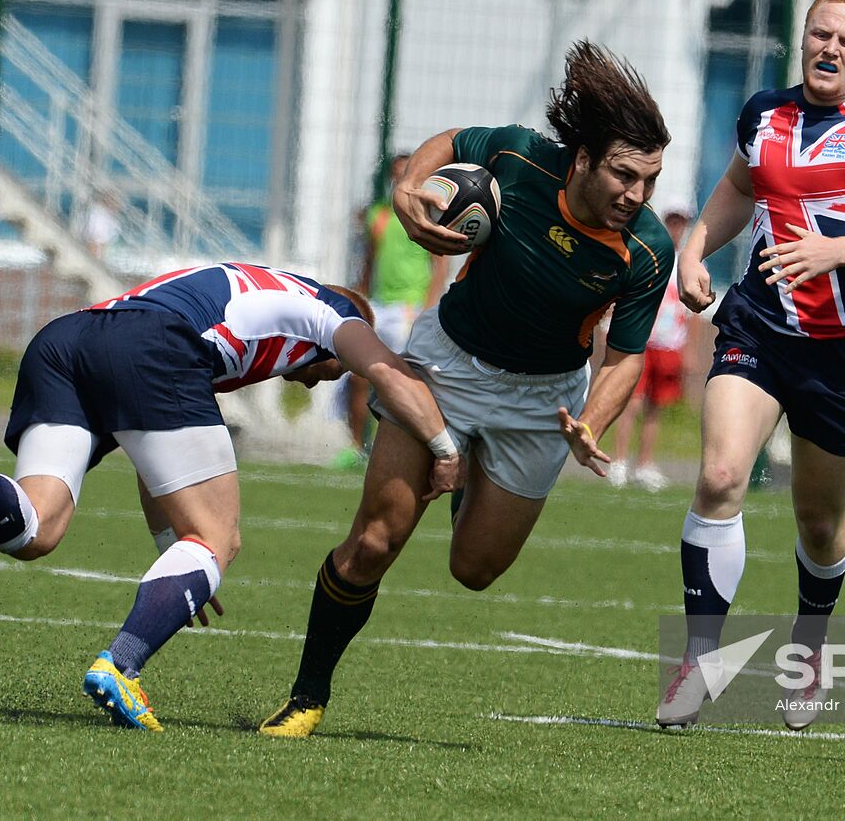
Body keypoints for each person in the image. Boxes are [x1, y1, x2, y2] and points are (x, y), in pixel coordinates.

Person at [257, 40, 674, 738]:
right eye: (624, 174)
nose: (636, 194)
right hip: (446, 366)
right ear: (582, 160)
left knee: (474, 569)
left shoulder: (647, 251)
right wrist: (408, 189)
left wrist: (591, 425)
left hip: (545, 400)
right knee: (376, 540)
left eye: (650, 180)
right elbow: (449, 141)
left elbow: (626, 358)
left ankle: (472, 462)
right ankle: (306, 695)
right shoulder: (516, 158)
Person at [0, 262, 462, 731]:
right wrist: (444, 449)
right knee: (219, 537)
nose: (319, 381)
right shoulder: (332, 313)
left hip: (67, 341)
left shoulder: (245, 297)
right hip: (150, 345)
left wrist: (175, 553)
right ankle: (121, 666)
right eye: (332, 368)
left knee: (37, 528)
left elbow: (156, 457)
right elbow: (392, 374)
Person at [656, 0, 845, 731]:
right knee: (722, 473)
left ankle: (810, 643)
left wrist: (837, 252)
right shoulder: (764, 112)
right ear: (804, 38)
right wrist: (695, 249)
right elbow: (736, 186)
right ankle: (700, 659)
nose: (830, 49)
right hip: (757, 325)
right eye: (820, 35)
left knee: (818, 522)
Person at [333, 154, 449, 469]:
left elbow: (439, 263)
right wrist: (360, 299)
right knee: (359, 374)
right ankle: (357, 446)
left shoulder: (427, 215)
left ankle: (409, 449)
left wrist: (427, 304)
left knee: (401, 379)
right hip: (378, 306)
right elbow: (369, 262)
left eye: (406, 174)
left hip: (408, 308)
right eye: (396, 175)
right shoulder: (380, 216)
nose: (400, 181)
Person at [609, 208, 692, 492]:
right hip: (642, 340)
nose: (676, 229)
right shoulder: (649, 254)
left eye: (681, 224)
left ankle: (644, 464)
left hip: (669, 344)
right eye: (672, 222)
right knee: (630, 402)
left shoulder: (687, 261)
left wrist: (687, 347)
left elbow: (687, 308)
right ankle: (619, 461)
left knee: (655, 407)